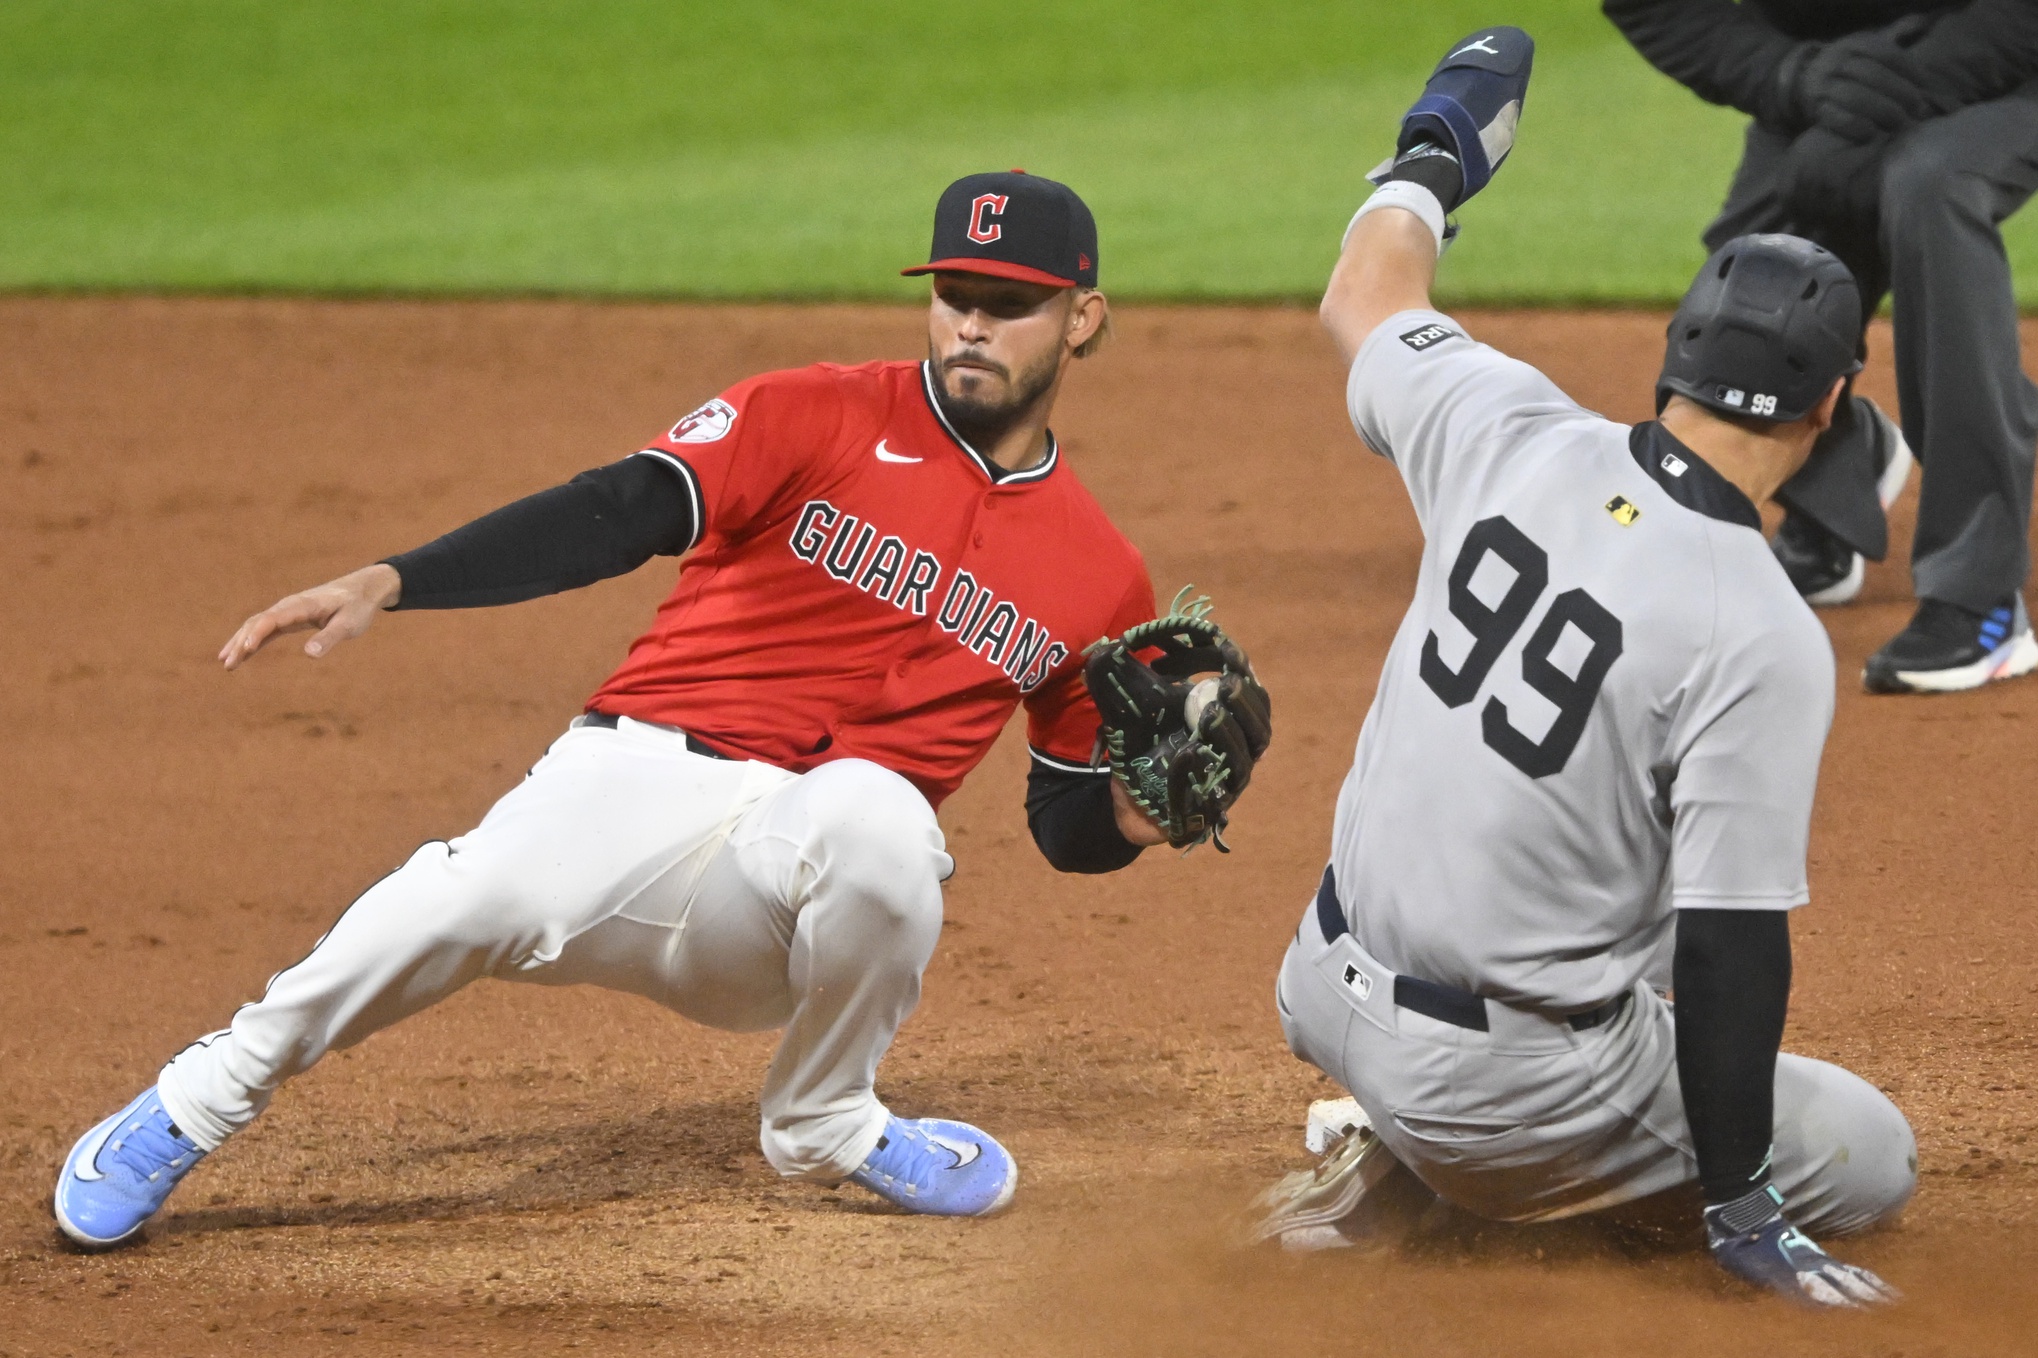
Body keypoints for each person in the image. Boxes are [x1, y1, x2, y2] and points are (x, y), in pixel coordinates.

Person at [53, 171, 1202, 1248]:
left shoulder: (1101, 573)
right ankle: (191, 1103)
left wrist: (1137, 820)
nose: (970, 326)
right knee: (466, 891)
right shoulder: (812, 411)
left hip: (779, 900)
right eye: (955, 296)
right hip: (634, 783)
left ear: (1083, 319)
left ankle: (825, 1121)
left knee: (882, 816)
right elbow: (623, 506)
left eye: (1009, 304)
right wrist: (395, 578)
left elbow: (1064, 820)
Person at [1254, 30, 1914, 1308]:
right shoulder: (1760, 628)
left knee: (1628, 849)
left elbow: (1365, 290)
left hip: (1317, 979)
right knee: (1871, 1148)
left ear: (1675, 351)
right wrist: (1743, 1205)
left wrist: (1436, 148)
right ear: (1828, 408)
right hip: (1496, 1100)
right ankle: (1436, 1184)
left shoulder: (1498, 418)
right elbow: (1731, 952)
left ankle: (1404, 1141)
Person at [1605, 0, 2038, 693]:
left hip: (2012, 48)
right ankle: (1834, 480)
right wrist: (1797, 78)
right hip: (1839, 75)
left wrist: (1901, 89)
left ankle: (1980, 596)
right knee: (1746, 278)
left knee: (1932, 185)